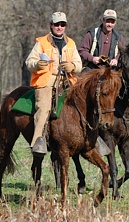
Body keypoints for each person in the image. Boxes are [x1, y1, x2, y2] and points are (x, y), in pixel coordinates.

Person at [25, 12, 82, 155]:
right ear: (51, 25)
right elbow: (29, 62)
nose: (59, 27)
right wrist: (38, 64)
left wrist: (72, 67)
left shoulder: (71, 43)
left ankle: (93, 139)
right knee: (44, 108)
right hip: (47, 80)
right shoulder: (42, 42)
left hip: (68, 81)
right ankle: (38, 142)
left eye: (62, 24)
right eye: (56, 24)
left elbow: (79, 64)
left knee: (85, 101)